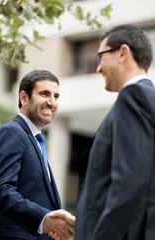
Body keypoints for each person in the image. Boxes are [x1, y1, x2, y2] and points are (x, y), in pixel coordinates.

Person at [75, 24, 155, 240]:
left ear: (123, 52)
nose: (98, 68)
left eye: (101, 57)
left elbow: (130, 181)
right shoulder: (148, 98)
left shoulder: (133, 96)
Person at [0, 69, 75, 240]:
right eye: (45, 94)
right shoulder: (12, 132)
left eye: (56, 96)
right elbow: (0, 191)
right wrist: (43, 219)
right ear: (24, 98)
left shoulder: (35, 141)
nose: (52, 102)